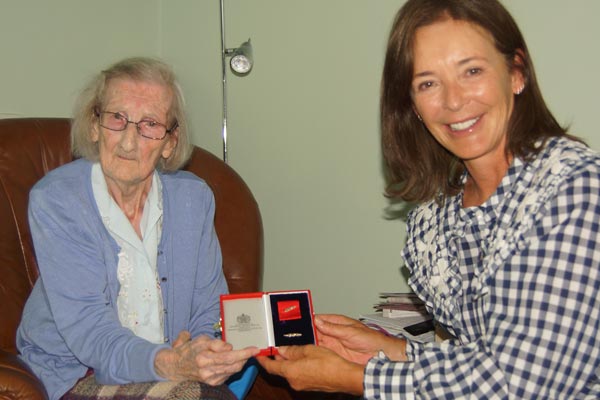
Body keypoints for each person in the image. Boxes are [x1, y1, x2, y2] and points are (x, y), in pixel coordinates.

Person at [258, 0, 600, 398]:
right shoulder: (437, 214)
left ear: (516, 72)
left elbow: (521, 384)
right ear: (413, 106)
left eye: (471, 71)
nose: (453, 101)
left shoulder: (574, 188)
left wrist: (357, 379)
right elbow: (477, 360)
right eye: (428, 83)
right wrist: (387, 351)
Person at [16, 57, 259, 400]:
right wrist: (171, 364)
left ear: (170, 142)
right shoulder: (57, 200)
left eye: (149, 125)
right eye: (117, 118)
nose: (129, 142)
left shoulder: (194, 199)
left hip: (171, 368)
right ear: (94, 125)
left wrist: (203, 354)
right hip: (78, 371)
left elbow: (209, 307)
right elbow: (90, 333)